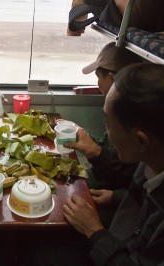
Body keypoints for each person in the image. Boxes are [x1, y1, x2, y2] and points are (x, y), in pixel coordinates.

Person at [17, 62, 164, 265]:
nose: (106, 132)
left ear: (141, 140)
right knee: (35, 241)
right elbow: (144, 192)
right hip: (123, 237)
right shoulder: (163, 147)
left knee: (40, 257)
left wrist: (94, 232)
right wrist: (115, 197)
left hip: (121, 253)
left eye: (108, 123)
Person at [64, 42, 140, 227]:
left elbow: (132, 176)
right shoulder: (122, 108)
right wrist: (84, 135)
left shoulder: (134, 121)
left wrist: (116, 197)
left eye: (99, 77)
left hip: (120, 196)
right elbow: (110, 150)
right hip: (114, 186)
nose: (98, 84)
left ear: (113, 79)